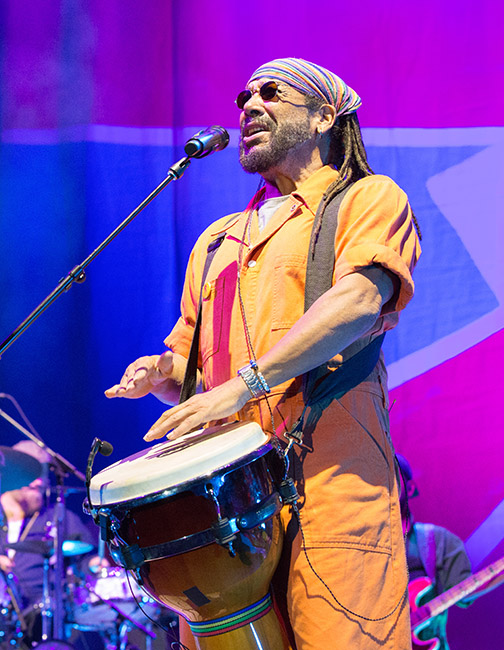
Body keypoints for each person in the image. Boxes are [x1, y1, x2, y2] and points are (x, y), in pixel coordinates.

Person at [105, 58, 421, 649]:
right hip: (224, 515)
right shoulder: (218, 240)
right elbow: (196, 375)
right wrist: (162, 373)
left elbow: (358, 301)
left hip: (330, 489)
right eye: (244, 95)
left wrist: (244, 384)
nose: (249, 104)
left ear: (326, 115)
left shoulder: (367, 199)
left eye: (272, 93)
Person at [396, 454, 504, 649]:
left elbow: (463, 593)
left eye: (392, 477)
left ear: (410, 488)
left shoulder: (438, 541)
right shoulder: (358, 547)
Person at [0, 440, 96, 649]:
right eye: (32, 473)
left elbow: (86, 558)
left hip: (42, 613)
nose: (39, 481)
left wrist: (95, 564)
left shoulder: (59, 517)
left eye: (42, 473)